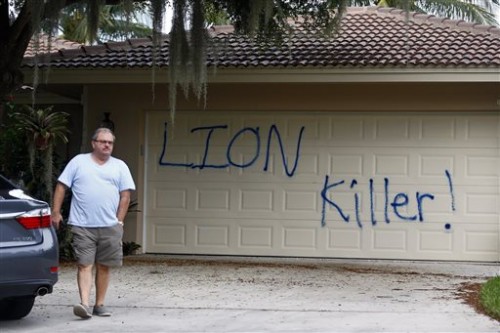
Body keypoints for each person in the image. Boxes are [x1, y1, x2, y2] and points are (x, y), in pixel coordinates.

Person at [51, 127, 136, 319]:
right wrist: (55, 212)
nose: (107, 145)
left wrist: (119, 221)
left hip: (110, 226)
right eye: (103, 141)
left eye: (110, 142)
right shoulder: (78, 162)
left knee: (104, 265)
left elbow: (125, 196)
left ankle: (99, 304)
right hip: (82, 225)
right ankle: (84, 304)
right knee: (84, 264)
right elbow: (61, 186)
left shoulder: (120, 166)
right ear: (94, 143)